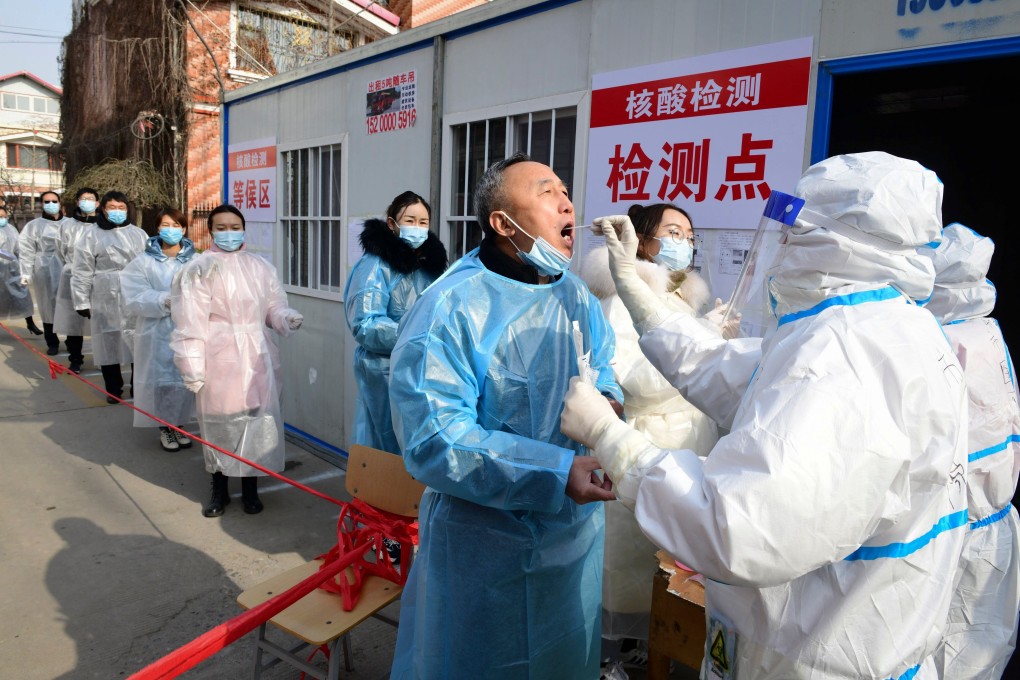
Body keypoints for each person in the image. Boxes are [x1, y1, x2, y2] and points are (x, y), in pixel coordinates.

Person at [561, 151, 969, 679]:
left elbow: (738, 527)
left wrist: (607, 435)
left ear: (835, 241)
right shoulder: (886, 325)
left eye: (796, 231)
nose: (783, 245)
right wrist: (633, 284)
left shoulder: (842, 353)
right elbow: (721, 367)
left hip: (811, 658)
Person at [387, 153, 622, 679]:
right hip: (482, 547)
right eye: (546, 191)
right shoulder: (449, 306)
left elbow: (603, 365)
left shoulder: (575, 295)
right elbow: (435, 440)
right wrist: (557, 472)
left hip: (573, 535)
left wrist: (607, 404)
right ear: (503, 223)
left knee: (563, 656)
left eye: (565, 190)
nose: (567, 202)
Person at [580, 202, 723, 670]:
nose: (684, 242)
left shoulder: (683, 300)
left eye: (690, 235)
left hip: (687, 444)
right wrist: (699, 356)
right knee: (630, 567)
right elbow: (627, 380)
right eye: (673, 232)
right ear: (642, 241)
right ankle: (612, 658)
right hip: (645, 441)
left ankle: (652, 648)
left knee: (667, 567)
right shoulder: (623, 300)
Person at [920, 224, 1020, 679]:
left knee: (947, 653)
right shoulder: (986, 329)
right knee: (980, 655)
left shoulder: (940, 339)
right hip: (993, 523)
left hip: (960, 528)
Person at [170, 204, 303, 517]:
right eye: (222, 227)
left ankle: (250, 488)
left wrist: (286, 317)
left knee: (258, 420)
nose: (229, 233)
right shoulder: (199, 269)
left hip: (258, 354)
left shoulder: (260, 267)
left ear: (244, 229)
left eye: (235, 227)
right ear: (211, 231)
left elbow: (273, 307)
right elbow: (190, 321)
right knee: (220, 422)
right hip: (220, 355)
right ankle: (219, 487)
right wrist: (192, 365)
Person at [344, 190, 448, 454]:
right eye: (410, 221)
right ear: (392, 224)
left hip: (423, 367)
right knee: (387, 445)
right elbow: (365, 324)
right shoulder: (375, 266)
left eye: (423, 222)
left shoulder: (428, 265)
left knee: (419, 444)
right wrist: (415, 334)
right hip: (384, 371)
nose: (417, 228)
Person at [121, 208, 197, 453]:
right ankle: (165, 427)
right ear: (157, 228)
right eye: (165, 225)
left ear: (184, 229)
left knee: (185, 378)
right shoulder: (144, 262)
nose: (171, 230)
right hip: (157, 331)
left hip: (188, 329)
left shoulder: (197, 261)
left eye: (176, 225)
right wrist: (164, 301)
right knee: (162, 380)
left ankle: (180, 424)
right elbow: (134, 295)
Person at [70, 191, 147, 403]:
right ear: (103, 209)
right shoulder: (91, 234)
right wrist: (81, 300)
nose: (117, 211)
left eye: (121, 207)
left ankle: (137, 387)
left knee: (137, 338)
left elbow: (149, 264)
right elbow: (82, 269)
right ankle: (113, 388)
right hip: (104, 292)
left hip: (134, 291)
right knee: (108, 339)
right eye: (112, 207)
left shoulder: (139, 234)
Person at [53, 188, 97, 373]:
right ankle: (75, 358)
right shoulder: (67, 225)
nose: (87, 201)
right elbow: (59, 250)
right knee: (74, 320)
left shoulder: (102, 226)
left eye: (91, 199)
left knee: (100, 319)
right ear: (77, 202)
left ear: (97, 203)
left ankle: (104, 359)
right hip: (71, 275)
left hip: (97, 278)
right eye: (83, 198)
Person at [18, 191, 65, 353]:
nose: (51, 204)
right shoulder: (33, 226)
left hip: (67, 267)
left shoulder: (70, 224)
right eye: (47, 202)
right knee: (47, 305)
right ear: (42, 205)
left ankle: (74, 343)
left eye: (54, 201)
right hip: (44, 269)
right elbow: (26, 250)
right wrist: (26, 272)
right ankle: (52, 342)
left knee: (70, 304)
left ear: (60, 203)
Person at [0, 205, 36, 325]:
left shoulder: (11, 228)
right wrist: (10, 257)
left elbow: (18, 247)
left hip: (12, 269)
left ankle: (30, 322)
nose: (3, 219)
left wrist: (23, 260)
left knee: (22, 293)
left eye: (4, 216)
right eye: (0, 217)